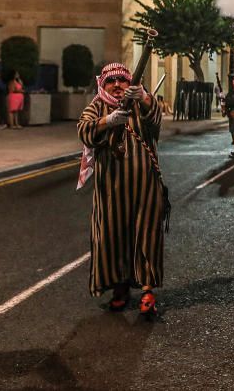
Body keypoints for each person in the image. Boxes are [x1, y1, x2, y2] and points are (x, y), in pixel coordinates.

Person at [77, 63, 167, 318]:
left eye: (122, 80)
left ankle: (148, 291)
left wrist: (146, 98)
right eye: (111, 81)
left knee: (147, 237)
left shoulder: (140, 102)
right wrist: (108, 121)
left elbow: (157, 122)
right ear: (103, 84)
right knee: (113, 239)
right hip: (111, 192)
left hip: (146, 188)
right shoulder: (97, 105)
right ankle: (120, 290)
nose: (117, 85)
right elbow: (84, 130)